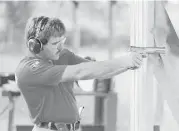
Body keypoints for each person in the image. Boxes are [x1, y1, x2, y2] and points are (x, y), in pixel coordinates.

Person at [15, 16, 146, 131]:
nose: (60, 47)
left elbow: (95, 70)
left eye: (62, 42)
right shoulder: (29, 70)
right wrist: (123, 60)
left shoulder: (60, 55)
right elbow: (80, 71)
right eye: (55, 43)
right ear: (36, 45)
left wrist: (129, 64)